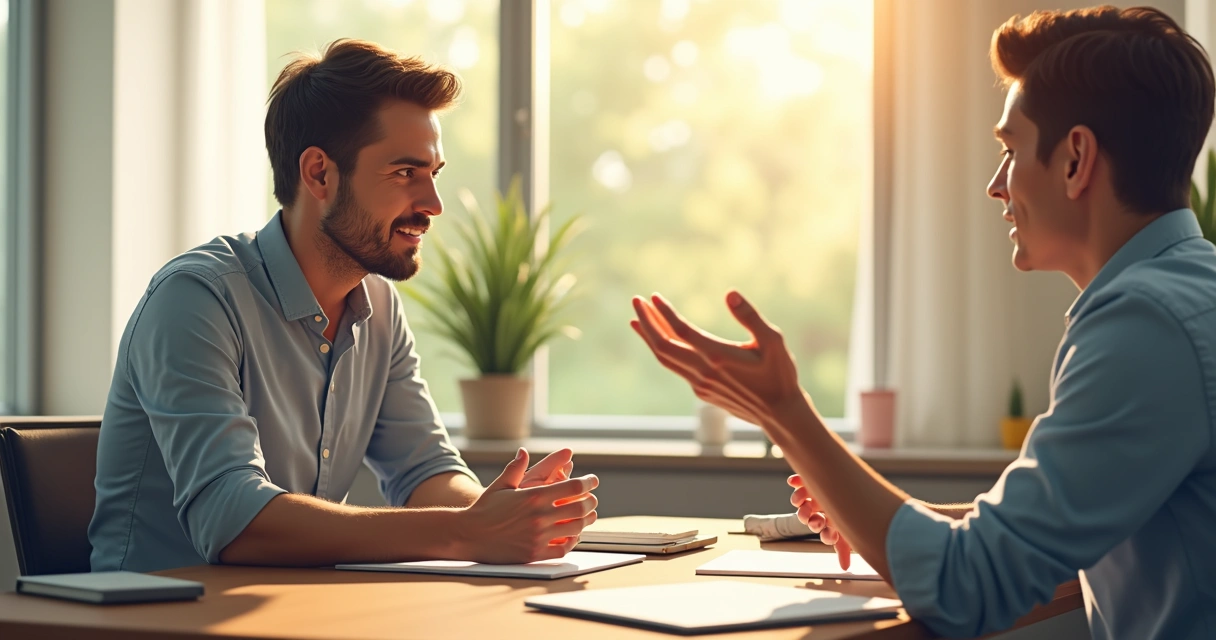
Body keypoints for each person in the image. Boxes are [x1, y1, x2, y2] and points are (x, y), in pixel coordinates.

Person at [630, 6, 1216, 639]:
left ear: (1075, 159)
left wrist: (784, 411)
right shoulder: (1187, 293)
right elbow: (1072, 528)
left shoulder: (1146, 326)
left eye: (1010, 149)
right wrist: (890, 515)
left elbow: (970, 588)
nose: (996, 186)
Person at [89, 39, 598, 573]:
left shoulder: (378, 304)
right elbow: (231, 519)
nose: (432, 204)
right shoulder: (195, 300)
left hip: (294, 610)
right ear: (319, 175)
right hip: (156, 618)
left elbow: (423, 469)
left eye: (434, 173)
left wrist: (500, 512)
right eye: (405, 173)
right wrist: (465, 532)